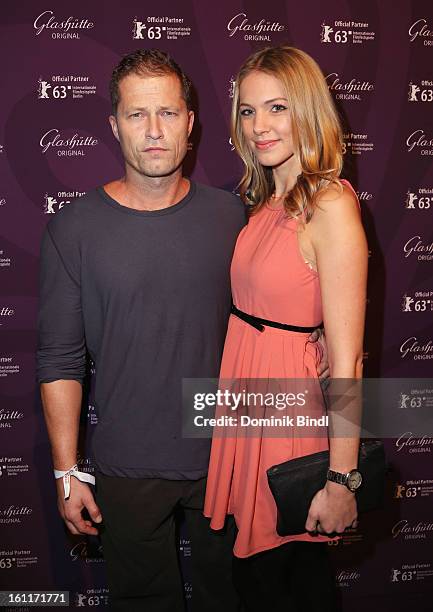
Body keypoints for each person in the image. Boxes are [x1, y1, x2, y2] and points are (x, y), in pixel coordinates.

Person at [37, 49, 328, 612]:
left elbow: (281, 307)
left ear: (191, 124)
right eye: (136, 115)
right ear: (113, 125)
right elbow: (59, 359)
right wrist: (66, 470)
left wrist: (314, 345)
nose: (152, 132)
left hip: (228, 456)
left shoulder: (232, 216)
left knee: (233, 600)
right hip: (126, 465)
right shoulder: (72, 228)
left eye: (168, 114)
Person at [204, 45, 368, 612]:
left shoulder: (331, 205)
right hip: (250, 406)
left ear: (308, 109)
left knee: (285, 581)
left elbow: (346, 361)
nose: (260, 126)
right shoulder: (263, 201)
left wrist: (342, 479)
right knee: (259, 584)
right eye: (248, 112)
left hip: (287, 419)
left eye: (277, 107)